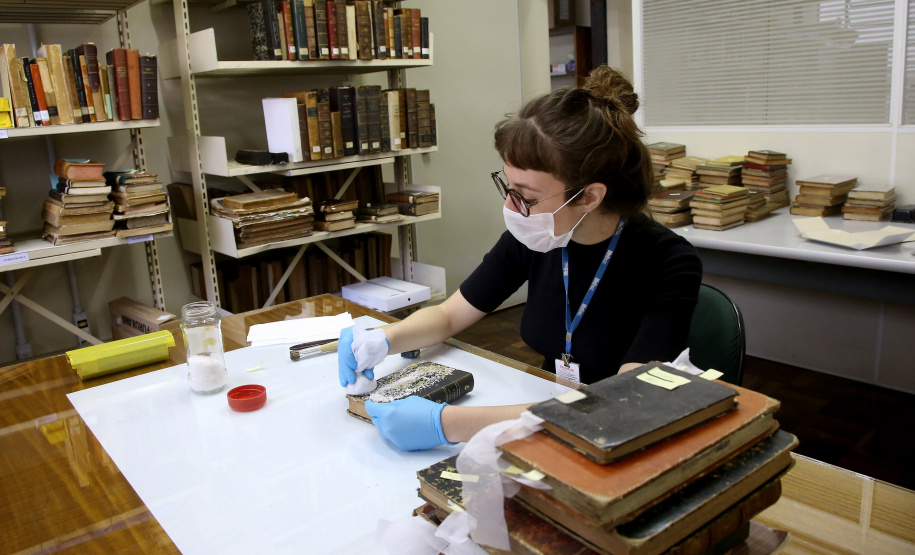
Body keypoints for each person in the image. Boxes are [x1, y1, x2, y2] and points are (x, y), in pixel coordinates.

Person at [337, 66, 702, 451]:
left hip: (609, 438)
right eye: (508, 188)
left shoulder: (667, 262)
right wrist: (385, 339)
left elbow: (626, 402)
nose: (512, 207)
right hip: (542, 407)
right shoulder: (538, 237)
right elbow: (449, 315)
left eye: (526, 197)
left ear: (590, 197)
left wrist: (452, 424)